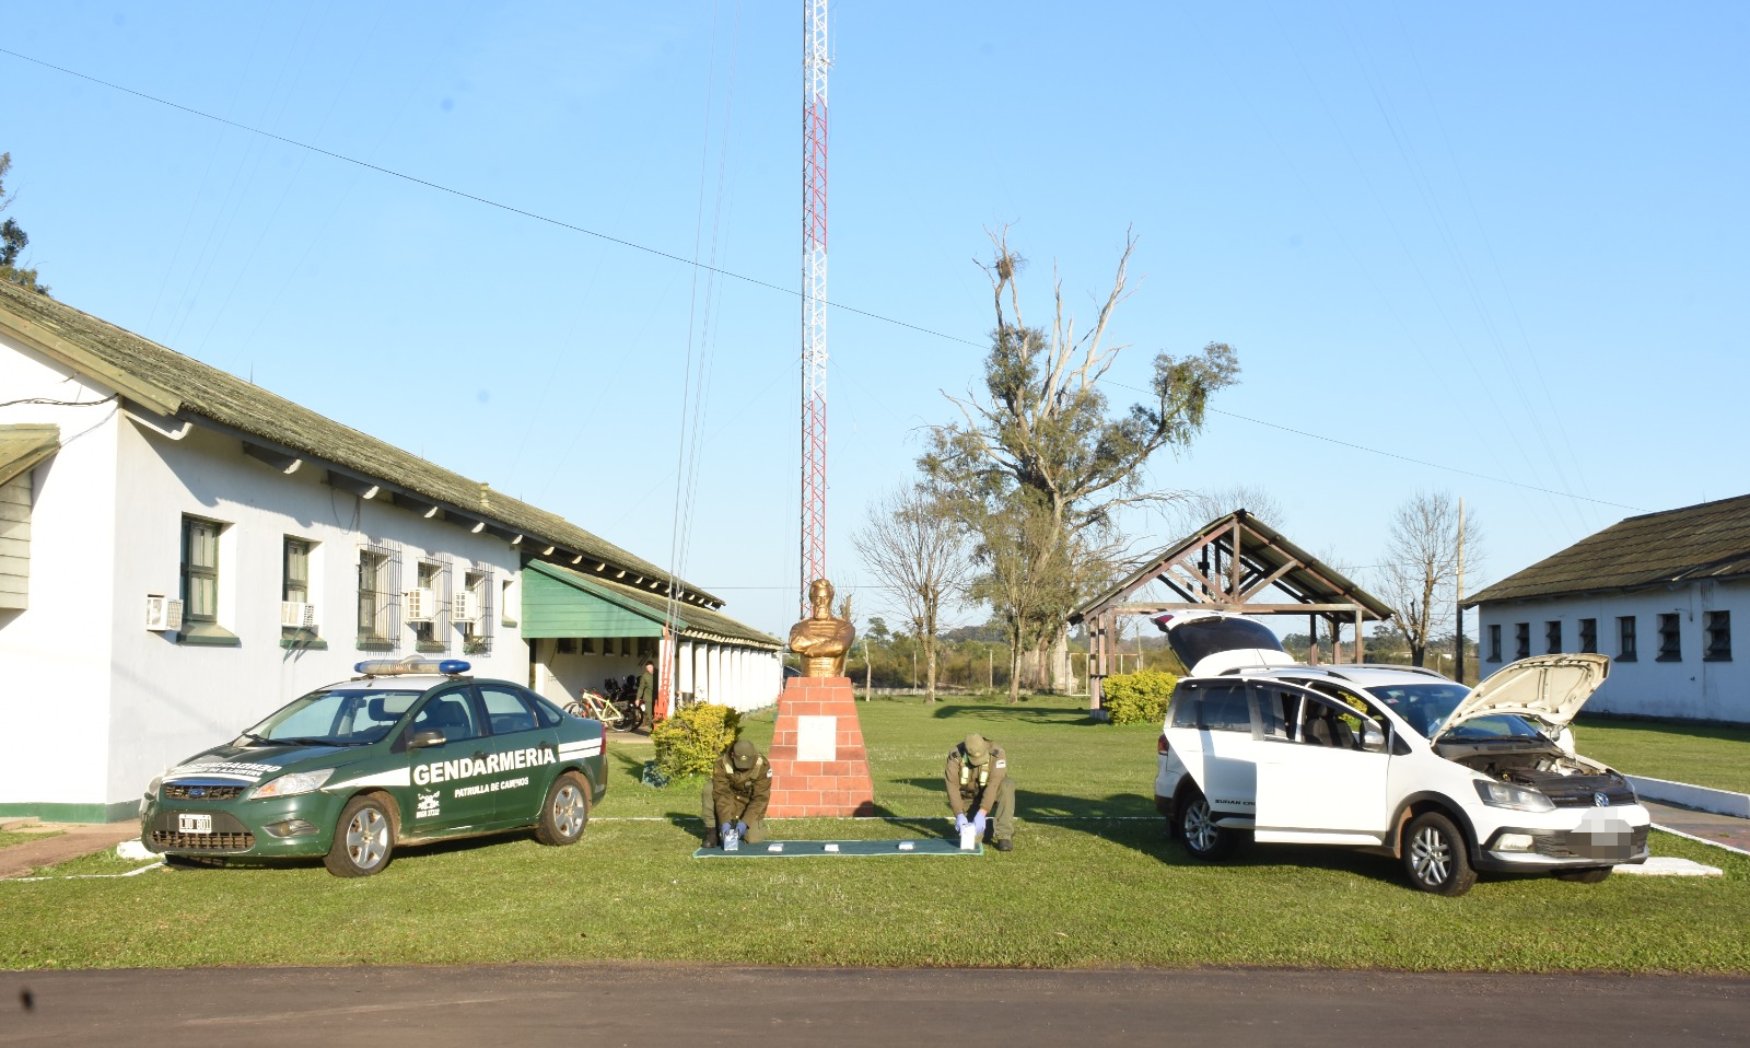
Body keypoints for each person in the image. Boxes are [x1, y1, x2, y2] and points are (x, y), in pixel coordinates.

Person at [944, 732, 1016, 851]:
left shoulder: (997, 753)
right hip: (968, 798)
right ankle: (989, 828)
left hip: (990, 794)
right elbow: (952, 787)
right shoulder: (955, 756)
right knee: (970, 840)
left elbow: (994, 784)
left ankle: (1004, 834)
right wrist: (959, 814)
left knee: (1007, 784)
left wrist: (982, 812)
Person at [701, 738, 771, 849]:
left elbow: (760, 798)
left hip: (748, 804)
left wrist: (745, 822)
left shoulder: (763, 765)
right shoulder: (721, 764)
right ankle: (712, 831)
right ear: (733, 755)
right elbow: (721, 794)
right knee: (709, 789)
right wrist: (724, 822)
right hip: (729, 801)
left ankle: (739, 825)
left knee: (754, 839)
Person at [635, 659, 656, 728]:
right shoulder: (645, 676)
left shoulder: (658, 673)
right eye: (648, 668)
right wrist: (638, 698)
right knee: (649, 714)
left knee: (657, 713)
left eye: (650, 667)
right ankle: (651, 729)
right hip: (648, 697)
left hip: (657, 697)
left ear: (653, 666)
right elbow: (641, 688)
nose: (649, 669)